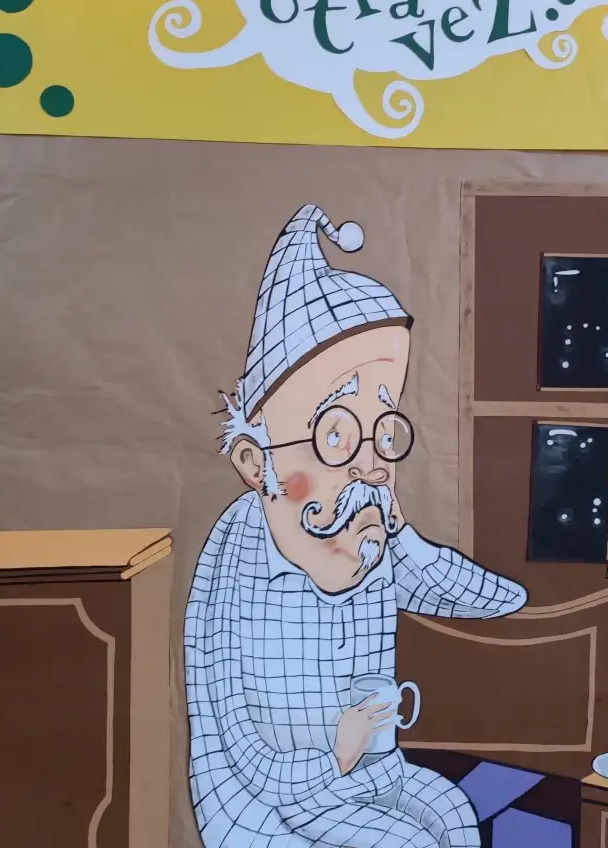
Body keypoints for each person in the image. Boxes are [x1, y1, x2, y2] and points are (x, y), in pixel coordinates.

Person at [186, 205, 528, 848]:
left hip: (372, 773)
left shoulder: (369, 539)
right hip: (269, 802)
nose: (371, 463)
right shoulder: (237, 558)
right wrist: (332, 757)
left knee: (457, 818)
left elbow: (494, 600)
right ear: (256, 462)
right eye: (336, 435)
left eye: (384, 433)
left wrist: (402, 535)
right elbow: (234, 741)